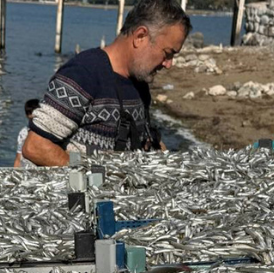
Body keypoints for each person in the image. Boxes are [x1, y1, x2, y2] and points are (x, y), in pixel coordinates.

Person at [22, 0, 190, 166]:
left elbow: (145, 140)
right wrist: (94, 174)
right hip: (85, 191)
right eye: (168, 53)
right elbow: (36, 147)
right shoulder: (83, 73)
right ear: (140, 36)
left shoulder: (139, 81)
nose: (169, 64)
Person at [13, 99, 41, 168]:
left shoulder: (46, 131)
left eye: (32, 112)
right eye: (28, 113)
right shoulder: (23, 133)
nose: (30, 115)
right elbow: (18, 157)